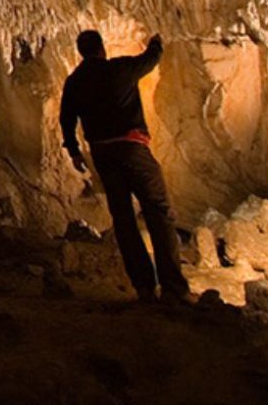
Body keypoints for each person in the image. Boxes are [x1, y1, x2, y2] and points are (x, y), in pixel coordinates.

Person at [59, 29, 194, 305]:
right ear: (101, 49)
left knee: (123, 218)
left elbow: (66, 120)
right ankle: (172, 287)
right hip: (132, 148)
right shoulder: (118, 69)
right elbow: (149, 60)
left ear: (81, 52)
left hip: (102, 154)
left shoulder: (75, 82)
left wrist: (74, 151)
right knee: (158, 210)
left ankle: (143, 285)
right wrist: (156, 42)